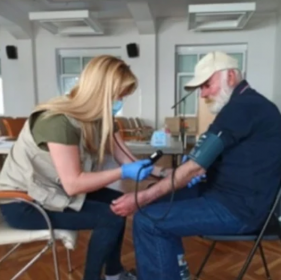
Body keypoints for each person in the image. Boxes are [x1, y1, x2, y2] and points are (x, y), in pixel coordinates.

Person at [110, 51, 281, 279]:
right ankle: (175, 272)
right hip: (228, 195)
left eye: (207, 85)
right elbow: (209, 160)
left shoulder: (243, 107)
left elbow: (196, 166)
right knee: (157, 199)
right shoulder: (247, 104)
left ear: (230, 76)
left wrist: (139, 198)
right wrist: (175, 173)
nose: (203, 94)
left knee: (147, 219)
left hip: (239, 209)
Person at [0, 55, 167, 280]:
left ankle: (114, 274)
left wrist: (164, 173)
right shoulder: (58, 121)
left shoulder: (100, 117)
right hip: (24, 202)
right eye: (119, 97)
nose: (120, 103)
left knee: (118, 203)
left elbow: (125, 158)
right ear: (101, 91)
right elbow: (74, 184)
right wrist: (123, 173)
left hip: (53, 192)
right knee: (111, 216)